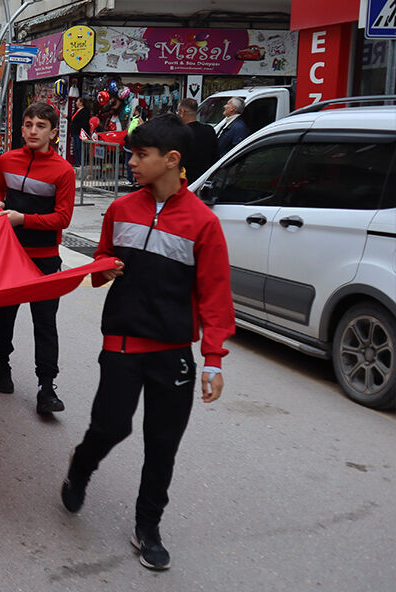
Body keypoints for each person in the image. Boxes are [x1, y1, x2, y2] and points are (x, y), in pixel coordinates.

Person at [60, 113, 233, 572]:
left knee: (162, 445)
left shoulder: (204, 224)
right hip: (121, 342)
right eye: (132, 154)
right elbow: (99, 261)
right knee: (112, 426)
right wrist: (104, 268)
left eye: (141, 155)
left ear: (172, 160)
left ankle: (148, 525)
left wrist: (213, 358)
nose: (131, 162)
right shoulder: (121, 209)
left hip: (172, 351)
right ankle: (82, 465)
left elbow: (215, 296)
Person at [0, 102, 76, 415]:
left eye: (40, 126)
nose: (33, 131)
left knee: (45, 323)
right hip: (9, 254)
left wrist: (23, 219)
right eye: (28, 124)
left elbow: (63, 218)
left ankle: (46, 387)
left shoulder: (63, 171)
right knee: (4, 314)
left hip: (45, 259)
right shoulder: (7, 159)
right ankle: (2, 363)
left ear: (53, 133)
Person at [176, 98, 217, 181]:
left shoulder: (180, 132)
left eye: (178, 111)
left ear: (182, 112)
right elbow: (215, 156)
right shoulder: (209, 130)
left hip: (185, 179)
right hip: (204, 178)